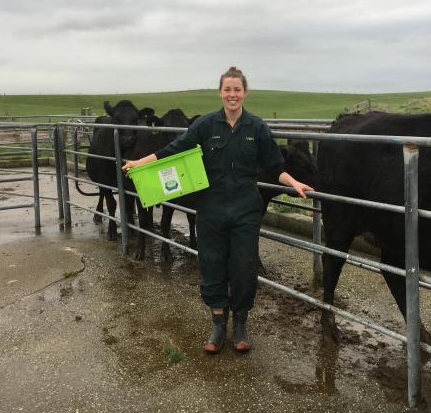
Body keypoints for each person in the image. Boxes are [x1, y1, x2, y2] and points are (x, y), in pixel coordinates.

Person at [122, 66, 314, 354]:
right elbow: (174, 148)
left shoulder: (257, 127)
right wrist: (142, 163)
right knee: (211, 265)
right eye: (227, 89)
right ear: (220, 92)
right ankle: (217, 324)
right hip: (211, 207)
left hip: (246, 208)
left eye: (237, 89)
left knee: (244, 267)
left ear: (245, 93)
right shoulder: (206, 125)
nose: (232, 94)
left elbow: (275, 166)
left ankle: (240, 324)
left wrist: (294, 182)